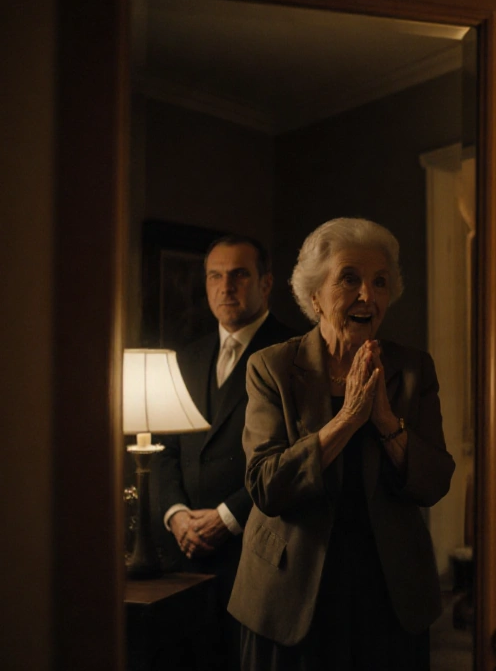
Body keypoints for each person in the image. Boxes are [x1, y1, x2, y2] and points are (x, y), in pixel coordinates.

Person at [228, 217, 455, 670]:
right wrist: (348, 419)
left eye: (380, 282)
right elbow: (266, 485)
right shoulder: (272, 367)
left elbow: (434, 482)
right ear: (314, 296)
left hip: (389, 593)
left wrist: (386, 422)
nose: (367, 295)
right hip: (290, 592)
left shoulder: (413, 369)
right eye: (350, 279)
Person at [151, 234, 298, 670]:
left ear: (266, 283)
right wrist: (177, 514)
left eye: (239, 275)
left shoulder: (293, 352)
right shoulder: (187, 356)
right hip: (185, 553)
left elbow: (296, 459)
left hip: (257, 549)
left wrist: (227, 517)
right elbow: (163, 450)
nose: (225, 287)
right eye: (215, 276)